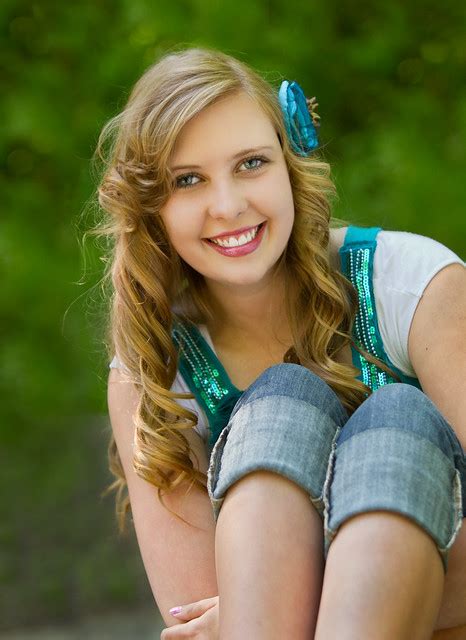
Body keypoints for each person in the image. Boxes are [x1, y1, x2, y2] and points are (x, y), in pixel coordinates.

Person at [93, 47, 466, 638]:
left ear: (289, 164)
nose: (229, 206)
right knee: (279, 404)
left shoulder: (417, 285)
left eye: (250, 164)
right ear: (152, 209)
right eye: (188, 180)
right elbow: (196, 615)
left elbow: (237, 617)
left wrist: (278, 600)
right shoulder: (152, 367)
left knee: (397, 419)